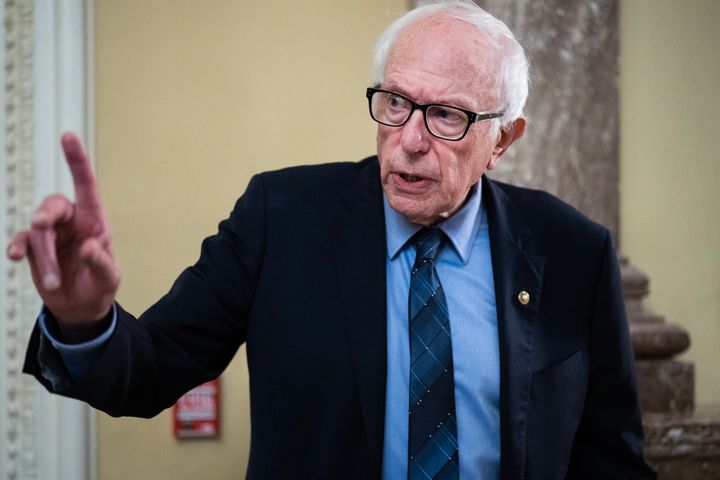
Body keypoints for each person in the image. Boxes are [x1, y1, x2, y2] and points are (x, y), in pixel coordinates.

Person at [8, 1, 655, 478]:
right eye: (395, 101)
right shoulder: (279, 218)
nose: (408, 137)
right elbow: (147, 372)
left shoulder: (573, 251)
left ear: (503, 141)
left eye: (447, 116)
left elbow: (611, 459)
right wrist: (83, 317)